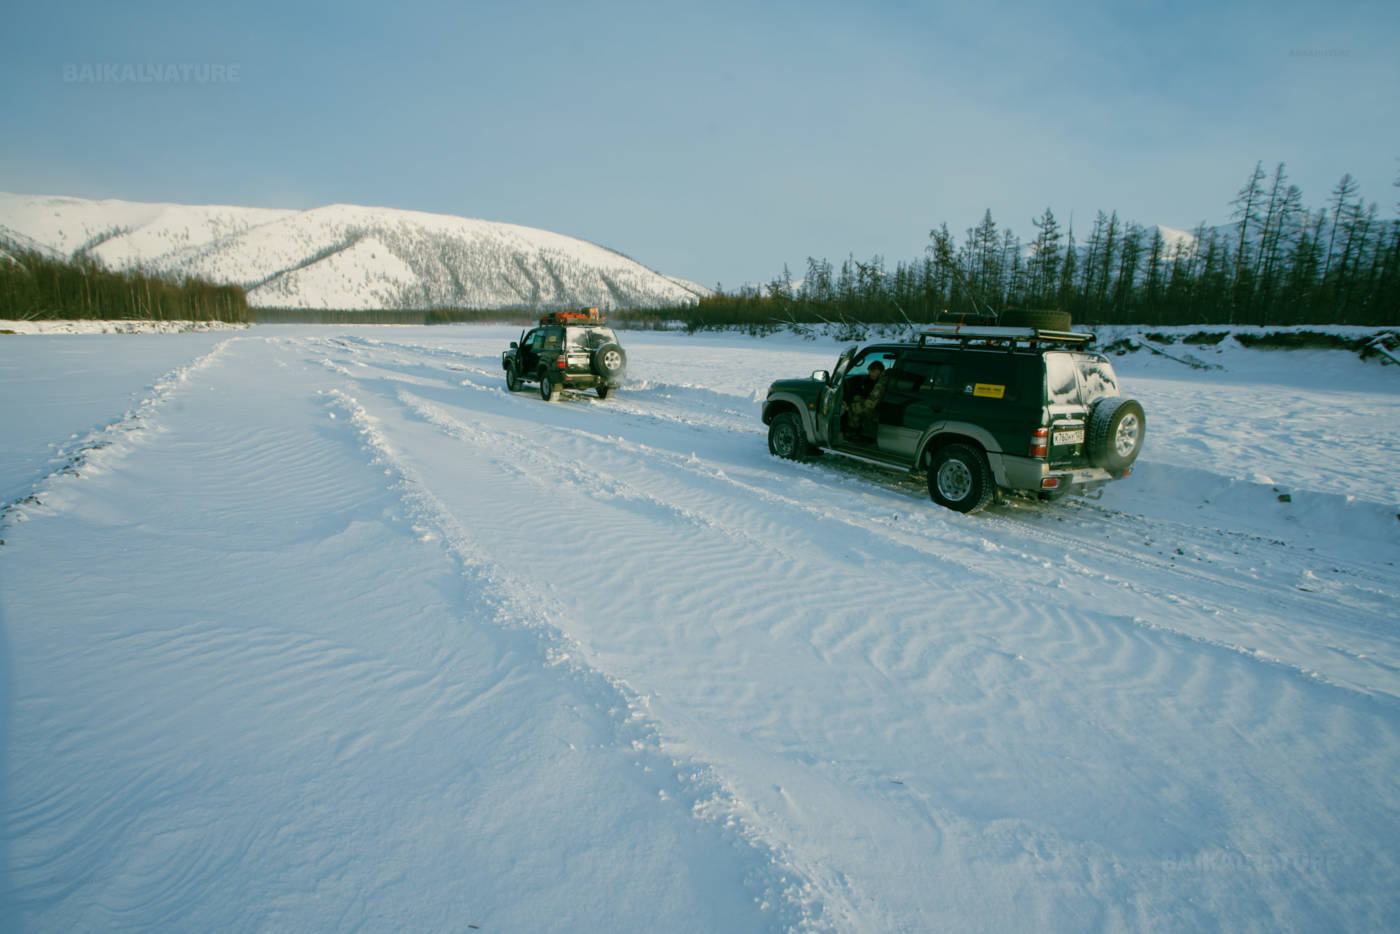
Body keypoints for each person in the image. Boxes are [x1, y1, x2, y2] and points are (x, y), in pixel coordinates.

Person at [844, 360, 887, 441]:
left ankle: (852, 432)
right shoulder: (882, 379)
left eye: (872, 372)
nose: (870, 374)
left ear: (878, 371)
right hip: (882, 407)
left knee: (853, 408)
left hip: (879, 411)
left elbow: (871, 404)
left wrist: (850, 406)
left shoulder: (881, 383)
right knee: (857, 399)